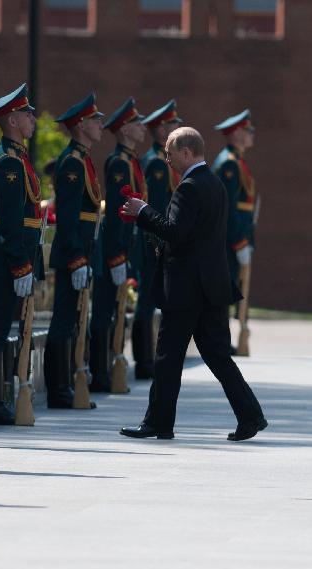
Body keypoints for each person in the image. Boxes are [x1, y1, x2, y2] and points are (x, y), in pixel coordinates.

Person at [119, 127, 267, 442]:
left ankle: (158, 422)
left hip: (186, 288)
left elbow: (175, 232)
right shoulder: (214, 183)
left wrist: (142, 211)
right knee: (216, 355)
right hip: (211, 285)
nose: (167, 159)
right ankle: (250, 415)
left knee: (168, 356)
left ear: (187, 152)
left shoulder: (189, 187)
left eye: (170, 153)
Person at [0, 83, 41, 425]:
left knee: (5, 328)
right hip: (7, 256)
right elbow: (13, 220)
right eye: (27, 113)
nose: (33, 118)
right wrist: (20, 265)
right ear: (14, 120)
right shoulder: (8, 162)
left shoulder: (18, 157)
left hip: (15, 255)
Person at [46, 92, 103, 409]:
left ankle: (67, 383)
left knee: (74, 319)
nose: (100, 125)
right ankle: (59, 388)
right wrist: (77, 258)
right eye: (95, 120)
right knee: (64, 320)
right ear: (81, 125)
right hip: (73, 252)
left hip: (82, 248)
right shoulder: (71, 162)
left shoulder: (81, 159)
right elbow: (67, 217)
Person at [91, 97, 145, 393]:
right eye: (136, 124)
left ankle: (108, 368)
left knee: (114, 311)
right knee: (103, 312)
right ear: (124, 130)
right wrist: (116, 257)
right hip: (116, 248)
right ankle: (99, 373)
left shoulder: (130, 161)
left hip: (127, 246)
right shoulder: (119, 163)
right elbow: (117, 212)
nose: (142, 128)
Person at [134, 99, 183, 380]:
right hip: (153, 242)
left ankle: (147, 358)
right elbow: (156, 208)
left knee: (152, 299)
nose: (177, 128)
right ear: (163, 129)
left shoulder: (162, 161)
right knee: (147, 299)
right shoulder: (156, 163)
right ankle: (143, 360)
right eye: (174, 125)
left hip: (158, 239)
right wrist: (159, 242)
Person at [212, 109, 257, 336]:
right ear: (237, 133)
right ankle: (218, 337)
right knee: (224, 290)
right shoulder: (229, 164)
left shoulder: (237, 161)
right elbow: (228, 208)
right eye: (248, 130)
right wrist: (239, 242)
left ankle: (222, 337)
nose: (252, 134)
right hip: (229, 239)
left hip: (237, 236)